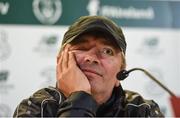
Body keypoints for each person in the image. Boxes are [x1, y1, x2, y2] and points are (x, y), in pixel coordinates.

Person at [13, 16, 164, 117]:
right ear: (61, 61)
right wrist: (79, 97)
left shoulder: (142, 111)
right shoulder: (37, 108)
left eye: (107, 51)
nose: (91, 58)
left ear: (121, 71)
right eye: (82, 47)